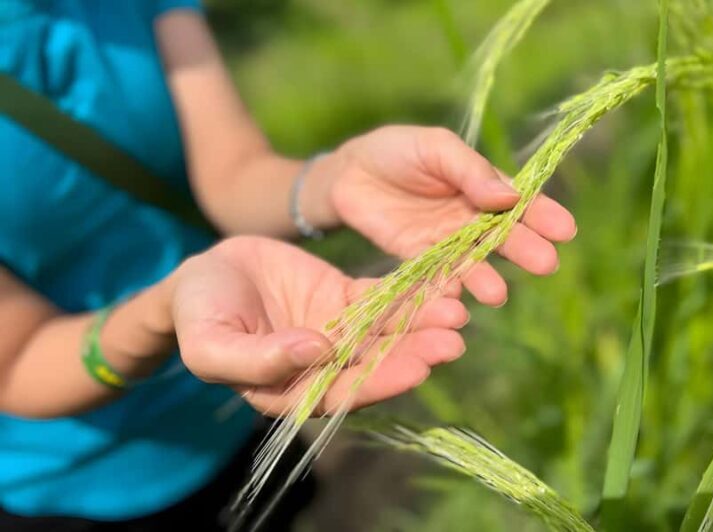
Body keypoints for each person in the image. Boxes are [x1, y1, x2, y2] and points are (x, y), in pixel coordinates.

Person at [0, 1, 577, 530]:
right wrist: (166, 308)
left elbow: (232, 170)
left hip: (243, 410)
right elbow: (17, 361)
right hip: (75, 489)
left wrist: (339, 179)